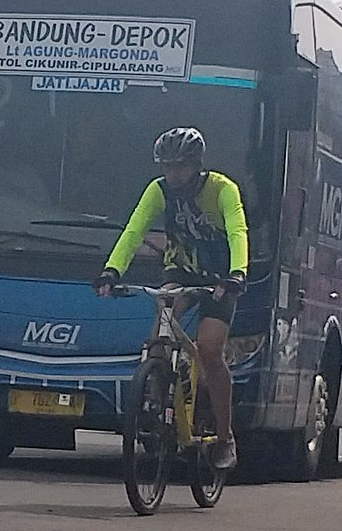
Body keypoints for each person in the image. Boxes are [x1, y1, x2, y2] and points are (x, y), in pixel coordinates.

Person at [93, 127, 249, 470]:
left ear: (196, 165)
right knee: (160, 334)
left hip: (220, 280)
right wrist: (112, 271)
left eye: (179, 166)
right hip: (180, 271)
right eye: (166, 166)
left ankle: (224, 438)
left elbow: (238, 231)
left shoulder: (223, 189)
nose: (172, 174)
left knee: (209, 349)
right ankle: (158, 401)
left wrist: (237, 272)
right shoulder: (159, 190)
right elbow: (134, 231)